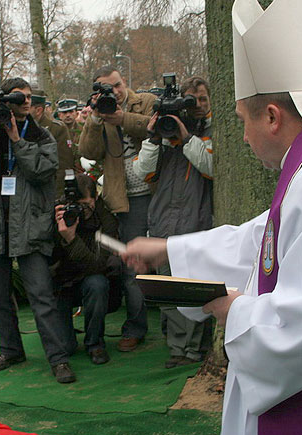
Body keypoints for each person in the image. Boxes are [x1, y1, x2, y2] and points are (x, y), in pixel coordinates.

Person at [123, 0, 302, 435]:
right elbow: (263, 242)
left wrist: (235, 313)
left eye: (243, 122)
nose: (245, 138)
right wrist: (170, 250)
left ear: (271, 117)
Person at [0, 77, 76, 384]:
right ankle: (10, 349)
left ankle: (58, 359)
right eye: (19, 97)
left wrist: (17, 140)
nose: (25, 102)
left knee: (41, 296)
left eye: (29, 98)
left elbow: (43, 170)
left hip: (30, 225)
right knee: (1, 298)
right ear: (6, 101)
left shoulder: (41, 135)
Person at [133, 76, 214, 369]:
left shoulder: (211, 131)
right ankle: (178, 347)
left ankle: (192, 350)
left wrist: (187, 138)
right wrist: (155, 137)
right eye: (191, 100)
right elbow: (143, 171)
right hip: (163, 219)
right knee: (168, 286)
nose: (196, 106)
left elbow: (211, 167)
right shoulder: (164, 134)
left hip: (196, 220)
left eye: (202, 100)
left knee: (192, 286)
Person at [79, 66, 156, 352]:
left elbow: (155, 125)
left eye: (119, 85)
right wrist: (96, 119)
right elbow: (88, 152)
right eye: (108, 89)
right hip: (124, 200)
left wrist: (123, 118)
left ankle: (176, 328)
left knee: (167, 263)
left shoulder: (144, 101)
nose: (117, 92)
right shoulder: (99, 112)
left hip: (157, 192)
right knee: (132, 267)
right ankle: (135, 327)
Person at [53, 173, 119, 365]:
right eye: (76, 206)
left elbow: (98, 266)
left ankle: (95, 343)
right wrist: (54, 227)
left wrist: (71, 240)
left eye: (85, 204)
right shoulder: (57, 214)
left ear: (96, 197)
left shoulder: (105, 220)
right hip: (60, 284)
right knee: (66, 348)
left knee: (97, 284)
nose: (80, 211)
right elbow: (47, 261)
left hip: (90, 280)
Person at [31, 92, 76, 197]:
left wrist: (58, 196)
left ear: (38, 110)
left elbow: (64, 166)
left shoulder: (56, 129)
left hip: (47, 192)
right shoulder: (18, 127)